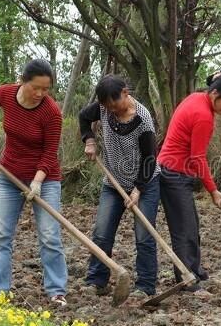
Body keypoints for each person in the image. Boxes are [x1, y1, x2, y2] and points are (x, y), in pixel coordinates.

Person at [0, 59, 68, 306]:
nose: (41, 94)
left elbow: (50, 152)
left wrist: (38, 181)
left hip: (45, 180)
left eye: (46, 89)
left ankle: (56, 291)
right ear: (22, 81)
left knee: (50, 236)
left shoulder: (51, 112)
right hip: (9, 176)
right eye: (36, 88)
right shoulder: (7, 94)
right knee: (0, 235)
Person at [157, 69, 221, 295]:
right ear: (214, 95)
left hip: (175, 171)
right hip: (173, 174)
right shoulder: (203, 116)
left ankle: (194, 269)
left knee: (191, 224)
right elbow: (198, 158)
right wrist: (213, 190)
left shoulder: (196, 97)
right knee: (184, 229)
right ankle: (187, 281)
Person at [78, 74, 160, 298]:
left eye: (115, 104)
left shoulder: (143, 120)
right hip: (113, 182)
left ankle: (145, 286)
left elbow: (149, 159)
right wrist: (90, 140)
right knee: (102, 232)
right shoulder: (104, 108)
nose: (111, 110)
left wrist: (138, 189)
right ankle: (97, 280)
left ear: (125, 92)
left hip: (145, 182)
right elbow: (84, 118)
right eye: (107, 106)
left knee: (144, 235)